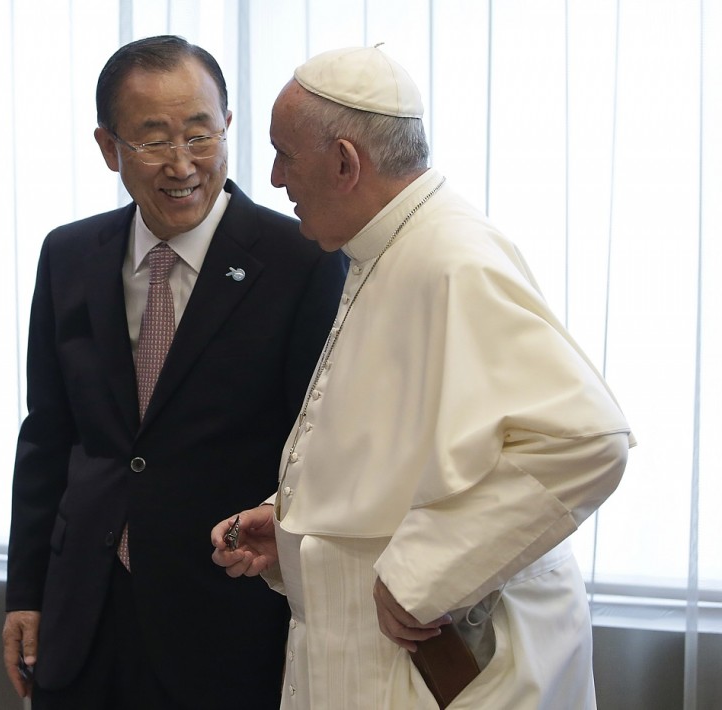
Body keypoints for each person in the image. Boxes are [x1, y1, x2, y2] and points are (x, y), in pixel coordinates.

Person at [211, 45, 635, 709]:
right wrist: (291, 521)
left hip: (458, 664)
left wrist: (422, 574)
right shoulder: (390, 247)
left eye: (284, 154)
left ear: (346, 162)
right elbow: (406, 447)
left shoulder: (452, 256)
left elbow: (586, 440)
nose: (273, 178)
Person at [2, 35, 345, 709]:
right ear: (109, 148)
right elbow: (48, 436)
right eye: (154, 139)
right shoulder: (69, 254)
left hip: (226, 621)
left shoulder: (300, 260)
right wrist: (26, 593)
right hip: (84, 617)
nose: (182, 163)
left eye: (200, 133)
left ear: (227, 129)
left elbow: (323, 448)